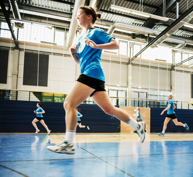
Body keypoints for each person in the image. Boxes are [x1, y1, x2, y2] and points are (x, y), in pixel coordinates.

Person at [47, 6, 145, 154]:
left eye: (79, 14)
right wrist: (73, 53)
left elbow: (116, 44)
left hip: (92, 72)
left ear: (88, 16)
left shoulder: (96, 32)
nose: (77, 17)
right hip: (92, 74)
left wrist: (97, 45)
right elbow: (80, 61)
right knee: (109, 109)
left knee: (69, 103)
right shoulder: (80, 37)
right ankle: (138, 126)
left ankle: (69, 143)